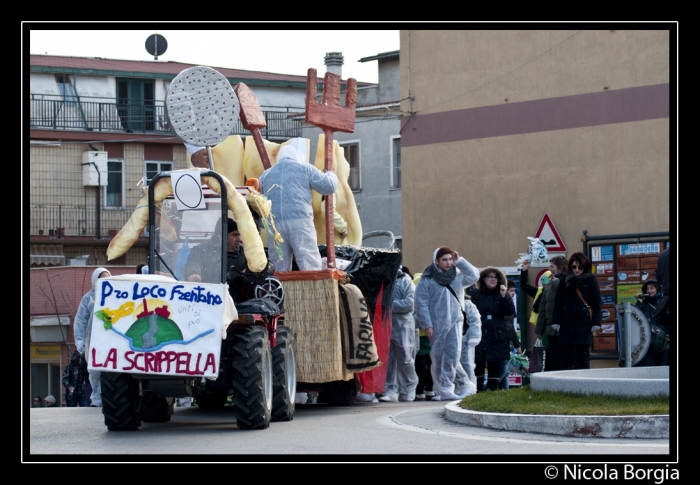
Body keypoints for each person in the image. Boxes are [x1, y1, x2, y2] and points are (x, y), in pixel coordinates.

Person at [259, 141, 338, 271]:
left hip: (274, 225)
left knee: (279, 267)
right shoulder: (304, 168)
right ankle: (312, 291)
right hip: (300, 222)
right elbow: (328, 186)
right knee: (309, 262)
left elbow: (259, 199)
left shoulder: (265, 175)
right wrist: (330, 173)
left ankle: (281, 290)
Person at [414, 247, 479, 401]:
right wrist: (427, 325)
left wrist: (460, 261)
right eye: (444, 259)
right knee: (438, 357)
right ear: (436, 261)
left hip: (455, 322)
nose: (448, 263)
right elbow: (420, 303)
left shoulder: (457, 276)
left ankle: (448, 387)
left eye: (450, 259)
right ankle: (442, 388)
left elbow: (474, 276)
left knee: (452, 355)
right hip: (436, 324)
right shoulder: (427, 279)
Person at [551, 252, 602, 370]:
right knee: (566, 357)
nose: (577, 270)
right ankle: (567, 386)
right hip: (566, 323)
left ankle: (584, 385)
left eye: (580, 267)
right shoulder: (565, 279)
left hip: (583, 324)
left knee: (583, 357)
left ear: (585, 267)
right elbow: (558, 301)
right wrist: (556, 320)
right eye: (574, 267)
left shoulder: (591, 280)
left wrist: (596, 323)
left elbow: (597, 303)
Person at [470, 266, 516, 392]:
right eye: (489, 277)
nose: (492, 279)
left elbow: (510, 311)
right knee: (478, 362)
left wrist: (504, 296)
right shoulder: (476, 293)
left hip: (497, 333)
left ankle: (492, 392)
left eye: (495, 277)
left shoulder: (501, 294)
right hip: (479, 331)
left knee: (494, 363)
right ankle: (478, 391)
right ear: (483, 279)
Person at [379, 266, 419, 402]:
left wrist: (388, 305)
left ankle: (409, 386)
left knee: (405, 357)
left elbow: (410, 303)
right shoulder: (383, 281)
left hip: (403, 325)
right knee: (389, 359)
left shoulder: (405, 281)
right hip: (386, 324)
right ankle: (391, 389)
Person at [74, 267, 112, 407]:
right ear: (95, 279)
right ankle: (97, 399)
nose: (104, 280)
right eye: (101, 277)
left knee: (111, 370)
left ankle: (110, 398)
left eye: (107, 277)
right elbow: (81, 320)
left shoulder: (115, 296)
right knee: (95, 371)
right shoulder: (88, 298)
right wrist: (79, 339)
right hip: (94, 340)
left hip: (112, 340)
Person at [535, 255, 568, 371]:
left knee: (563, 361)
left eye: (552, 266)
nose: (550, 269)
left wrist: (556, 283)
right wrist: (539, 330)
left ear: (560, 267)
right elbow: (543, 307)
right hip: (550, 329)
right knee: (553, 360)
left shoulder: (567, 281)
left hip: (564, 328)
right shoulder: (549, 285)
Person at [634, 280, 668, 366]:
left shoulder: (663, 302)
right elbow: (638, 318)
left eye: (652, 288)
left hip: (662, 340)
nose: (649, 291)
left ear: (657, 289)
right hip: (647, 341)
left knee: (662, 365)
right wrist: (639, 303)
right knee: (648, 365)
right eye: (647, 289)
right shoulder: (643, 303)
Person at [459, 295, 482, 389]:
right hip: (449, 339)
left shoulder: (466, 303)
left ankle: (469, 387)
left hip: (464, 340)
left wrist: (474, 337)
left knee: (466, 364)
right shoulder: (445, 301)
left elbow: (475, 320)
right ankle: (450, 388)